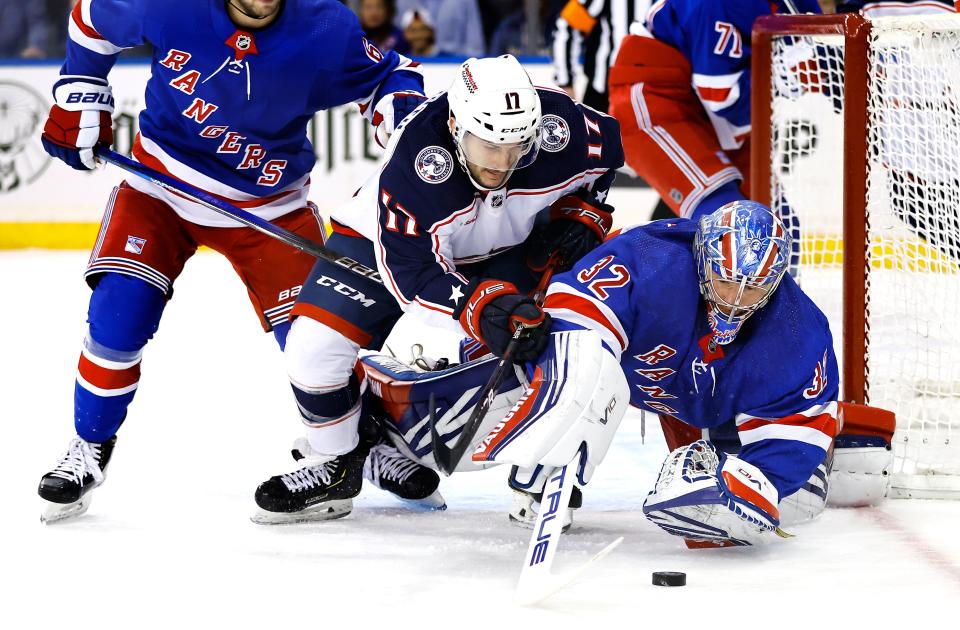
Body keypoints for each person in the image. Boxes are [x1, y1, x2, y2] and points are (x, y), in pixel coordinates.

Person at [36, 0, 426, 523]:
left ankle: (360, 443)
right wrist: (79, 91)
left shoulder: (325, 25)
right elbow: (90, 17)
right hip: (158, 190)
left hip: (268, 207)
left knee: (321, 340)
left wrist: (400, 119)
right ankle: (88, 447)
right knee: (117, 319)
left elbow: (391, 76)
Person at [357, 201, 895, 543]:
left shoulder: (801, 333)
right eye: (725, 280)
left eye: (754, 287)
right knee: (494, 403)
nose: (737, 298)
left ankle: (841, 435)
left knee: (792, 504)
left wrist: (759, 488)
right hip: (629, 373)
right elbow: (573, 309)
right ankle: (391, 425)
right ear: (703, 257)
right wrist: (569, 407)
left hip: (712, 407)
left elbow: (792, 428)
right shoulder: (652, 257)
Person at [251, 53, 625, 523]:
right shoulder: (416, 165)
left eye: (516, 147)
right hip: (390, 245)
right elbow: (413, 273)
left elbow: (608, 156)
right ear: (454, 124)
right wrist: (481, 308)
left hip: (508, 246)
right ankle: (336, 461)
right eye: (488, 146)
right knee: (312, 349)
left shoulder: (560, 130)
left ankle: (542, 469)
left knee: (549, 341)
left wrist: (586, 212)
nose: (502, 162)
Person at [608, 1, 822, 221]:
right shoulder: (715, 4)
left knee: (782, 224)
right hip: (658, 98)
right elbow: (722, 99)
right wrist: (785, 77)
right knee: (735, 222)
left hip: (714, 115)